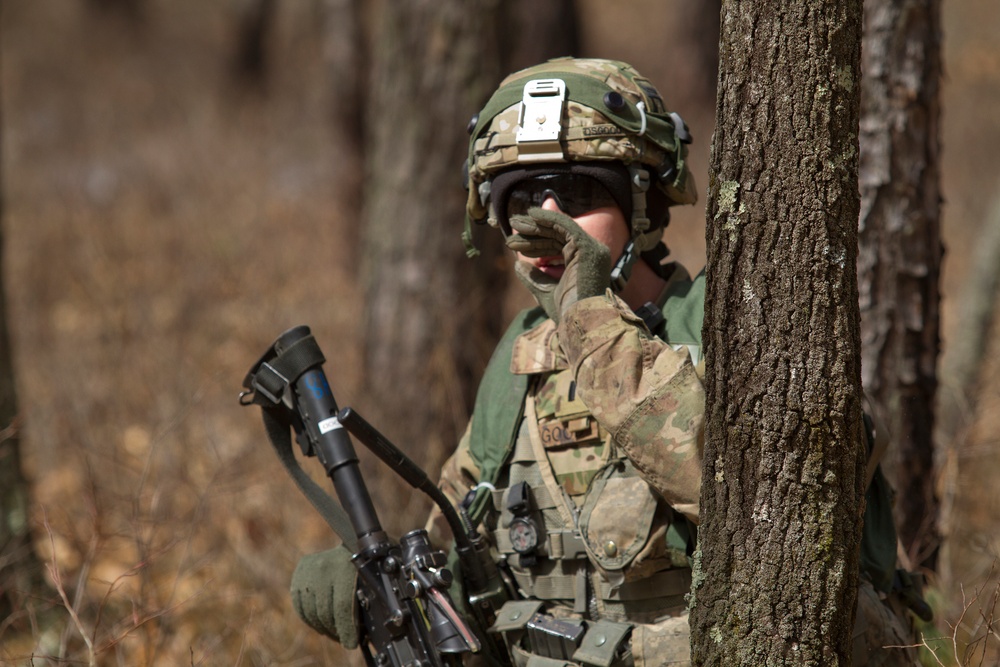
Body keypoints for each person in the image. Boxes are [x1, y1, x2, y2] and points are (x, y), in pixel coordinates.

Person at [290, 57, 922, 666]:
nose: (547, 219)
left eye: (575, 191)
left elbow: (759, 498)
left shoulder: (737, 325)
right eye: (520, 198)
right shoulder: (524, 359)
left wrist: (589, 313)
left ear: (641, 204)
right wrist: (382, 593)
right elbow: (463, 557)